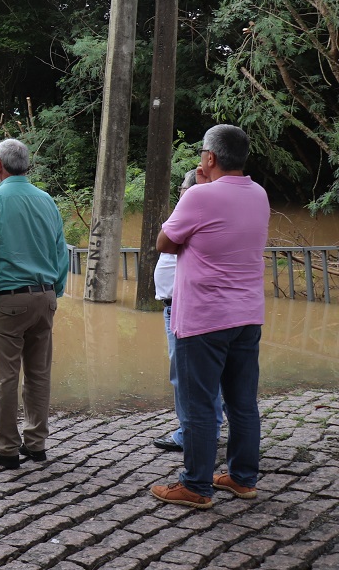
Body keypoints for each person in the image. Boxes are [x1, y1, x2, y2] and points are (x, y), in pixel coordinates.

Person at [151, 125, 269, 509]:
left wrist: (193, 191)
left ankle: (196, 486)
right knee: (242, 402)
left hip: (203, 319)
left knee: (200, 405)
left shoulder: (199, 196)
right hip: (247, 316)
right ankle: (241, 478)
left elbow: (165, 242)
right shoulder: (259, 194)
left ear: (211, 158)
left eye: (203, 153)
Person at [0, 138, 69, 469]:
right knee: (39, 373)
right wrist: (56, 291)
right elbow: (60, 250)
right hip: (45, 296)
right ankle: (36, 444)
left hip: (9, 302)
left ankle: (7, 448)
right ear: (27, 166)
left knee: (6, 376)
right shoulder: (46, 201)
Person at [152, 168, 225, 452]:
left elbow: (165, 243)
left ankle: (190, 434)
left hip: (184, 307)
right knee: (202, 373)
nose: (180, 193)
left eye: (183, 188)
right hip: (180, 304)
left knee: (185, 374)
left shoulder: (194, 211)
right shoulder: (197, 213)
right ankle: (209, 427)